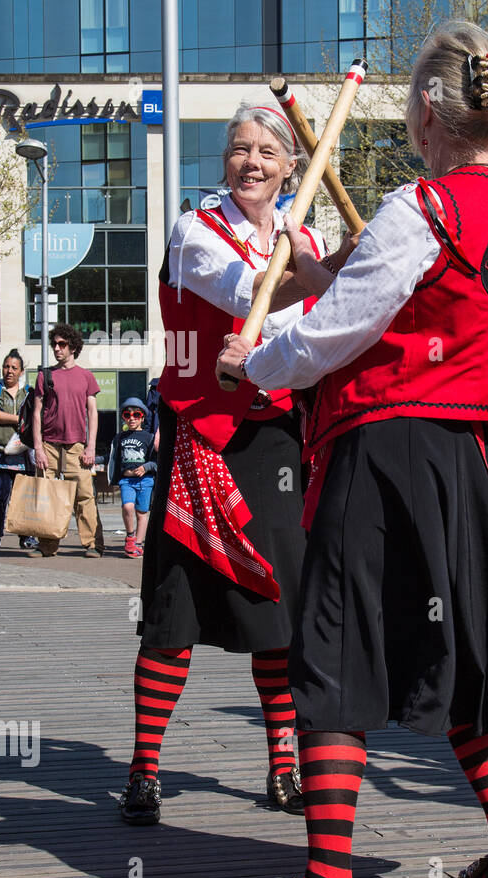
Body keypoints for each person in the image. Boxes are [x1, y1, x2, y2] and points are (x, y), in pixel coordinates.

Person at [212, 21, 488, 878]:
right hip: (478, 466)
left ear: (428, 109)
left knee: (337, 651)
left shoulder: (421, 206)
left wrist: (259, 357)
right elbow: (396, 303)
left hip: (387, 453)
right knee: (472, 661)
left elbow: (342, 334)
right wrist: (334, 277)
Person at [117, 100, 342, 827]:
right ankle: (145, 768)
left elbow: (316, 338)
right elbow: (246, 291)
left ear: (289, 167)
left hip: (276, 441)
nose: (251, 162)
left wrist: (350, 273)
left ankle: (284, 763)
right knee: (173, 615)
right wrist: (324, 273)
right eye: (240, 149)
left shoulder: (303, 234)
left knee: (278, 616)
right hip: (203, 436)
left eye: (267, 152)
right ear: (225, 161)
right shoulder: (194, 231)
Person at [28, 324, 102, 558]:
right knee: (47, 495)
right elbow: (37, 412)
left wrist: (91, 446)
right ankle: (47, 546)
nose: (57, 349)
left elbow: (92, 413)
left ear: (73, 347)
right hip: (49, 445)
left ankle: (92, 545)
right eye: (55, 344)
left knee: (84, 496)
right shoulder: (45, 375)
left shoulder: (86, 376)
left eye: (62, 344)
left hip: (77, 446)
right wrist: (38, 447)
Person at [0, 350, 37, 553]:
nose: (9, 371)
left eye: (14, 368)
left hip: (24, 454)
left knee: (24, 498)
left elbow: (36, 416)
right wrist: (19, 420)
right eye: (6, 366)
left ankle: (26, 536)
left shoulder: (29, 392)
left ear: (21, 371)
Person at [107, 397, 157, 558]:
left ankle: (139, 544)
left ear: (142, 417)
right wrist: (95, 459)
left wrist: (146, 467)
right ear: (123, 417)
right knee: (127, 507)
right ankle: (130, 536)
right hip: (126, 480)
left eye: (136, 415)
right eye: (127, 415)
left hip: (145, 481)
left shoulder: (149, 438)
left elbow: (158, 461)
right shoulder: (119, 437)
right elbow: (112, 457)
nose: (132, 418)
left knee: (142, 513)